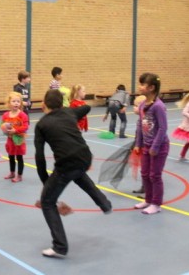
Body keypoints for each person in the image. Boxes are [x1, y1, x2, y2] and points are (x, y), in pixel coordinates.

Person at [35, 89, 112, 258]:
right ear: (62, 103)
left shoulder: (41, 124)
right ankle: (104, 203)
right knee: (78, 173)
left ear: (43, 105)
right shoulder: (69, 112)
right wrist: (71, 109)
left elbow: (39, 157)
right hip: (85, 157)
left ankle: (60, 246)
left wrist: (46, 183)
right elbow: (86, 108)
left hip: (67, 163)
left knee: (47, 202)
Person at [133, 73, 169, 215]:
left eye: (143, 84)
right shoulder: (143, 104)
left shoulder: (158, 106)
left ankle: (156, 204)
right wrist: (138, 143)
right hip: (146, 145)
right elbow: (140, 125)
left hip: (159, 147)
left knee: (155, 175)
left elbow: (163, 128)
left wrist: (155, 146)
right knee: (145, 174)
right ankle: (148, 200)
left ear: (151, 88)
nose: (140, 87)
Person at [2, 92, 29, 183]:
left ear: (20, 103)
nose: (16, 103)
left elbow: (25, 127)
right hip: (10, 140)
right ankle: (12, 173)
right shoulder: (5, 115)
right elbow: (3, 126)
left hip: (19, 140)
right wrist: (5, 130)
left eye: (18, 101)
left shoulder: (22, 115)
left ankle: (19, 175)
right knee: (11, 156)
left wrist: (15, 130)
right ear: (9, 103)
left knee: (19, 157)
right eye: (14, 101)